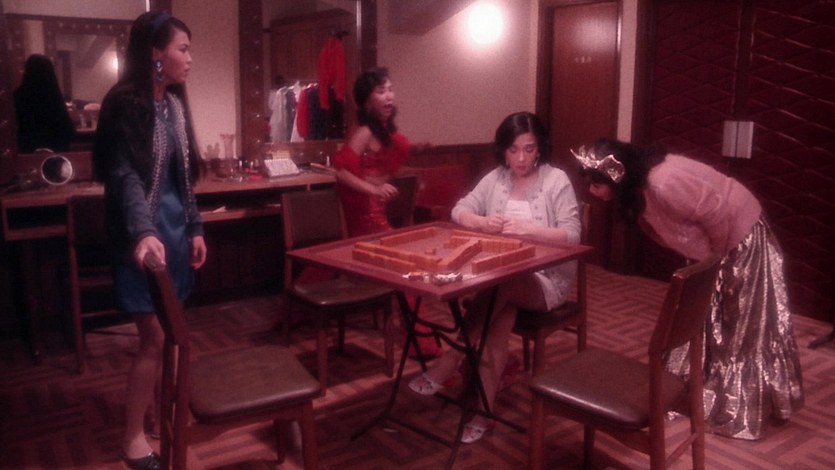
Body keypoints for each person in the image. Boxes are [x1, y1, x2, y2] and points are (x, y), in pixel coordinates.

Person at [575, 138, 804, 440]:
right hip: (716, 243)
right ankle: (699, 391)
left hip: (739, 237)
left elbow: (717, 212)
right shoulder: (640, 185)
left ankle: (741, 405)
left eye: (596, 183)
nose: (592, 191)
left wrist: (715, 261)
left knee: (742, 322)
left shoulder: (663, 182)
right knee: (704, 315)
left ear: (616, 176)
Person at [408, 112, 582, 444]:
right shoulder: (497, 178)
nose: (521, 158)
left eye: (529, 149)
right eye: (514, 150)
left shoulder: (555, 179)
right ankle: (485, 414)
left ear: (540, 148)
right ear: (503, 150)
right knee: (499, 317)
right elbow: (459, 209)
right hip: (501, 278)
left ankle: (452, 358)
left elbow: (573, 234)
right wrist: (479, 222)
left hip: (545, 279)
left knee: (502, 283)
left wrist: (529, 230)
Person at [93, 11, 207, 470]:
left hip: (174, 237)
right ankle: (132, 438)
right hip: (142, 243)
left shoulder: (173, 106)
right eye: (183, 49)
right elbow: (124, 176)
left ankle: (162, 414)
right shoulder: (126, 104)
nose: (190, 59)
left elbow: (184, 179)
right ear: (156, 54)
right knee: (154, 339)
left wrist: (195, 227)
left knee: (173, 335)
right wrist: (143, 231)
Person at [332, 67, 442, 358]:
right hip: (365, 212)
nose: (389, 96)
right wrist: (374, 190)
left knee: (408, 264)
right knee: (407, 267)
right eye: (381, 91)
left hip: (377, 208)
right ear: (367, 101)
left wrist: (416, 147)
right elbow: (340, 172)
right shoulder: (365, 131)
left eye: (390, 89)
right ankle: (416, 337)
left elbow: (385, 154)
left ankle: (411, 331)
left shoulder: (384, 131)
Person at [13, 54, 75, 153]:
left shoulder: (19, 95)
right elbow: (66, 127)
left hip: (27, 147)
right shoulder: (54, 94)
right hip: (56, 148)